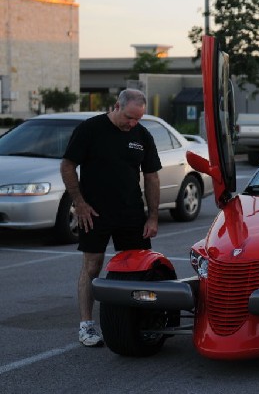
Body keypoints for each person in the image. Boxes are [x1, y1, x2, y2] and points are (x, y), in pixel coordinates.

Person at [60, 89, 162, 347]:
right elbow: (68, 165)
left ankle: (135, 320)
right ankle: (87, 326)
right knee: (92, 266)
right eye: (129, 117)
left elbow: (151, 176)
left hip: (131, 213)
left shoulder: (142, 135)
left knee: (138, 269)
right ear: (117, 106)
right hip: (94, 213)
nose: (133, 124)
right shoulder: (90, 129)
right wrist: (79, 203)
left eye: (138, 119)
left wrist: (152, 217)